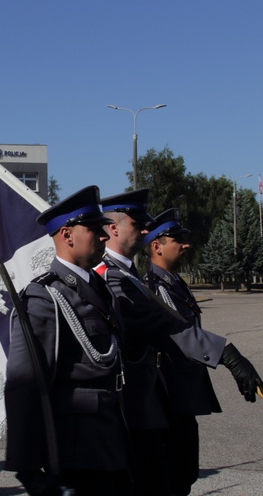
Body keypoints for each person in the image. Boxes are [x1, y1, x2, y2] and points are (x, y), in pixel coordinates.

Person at [4, 185, 132, 496]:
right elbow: (24, 383)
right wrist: (28, 467)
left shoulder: (99, 288)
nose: (104, 236)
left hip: (115, 435)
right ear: (67, 234)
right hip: (78, 447)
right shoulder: (45, 297)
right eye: (94, 228)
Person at [143, 208, 263, 495]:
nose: (186, 244)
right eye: (177, 238)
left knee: (184, 474)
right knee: (172, 478)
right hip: (167, 398)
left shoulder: (175, 284)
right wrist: (228, 354)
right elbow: (180, 334)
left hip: (181, 398)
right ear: (156, 246)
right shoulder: (152, 288)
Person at [94, 189, 175, 495]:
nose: (145, 229)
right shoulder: (108, 277)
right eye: (138, 223)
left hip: (149, 405)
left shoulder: (130, 275)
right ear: (113, 228)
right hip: (131, 412)